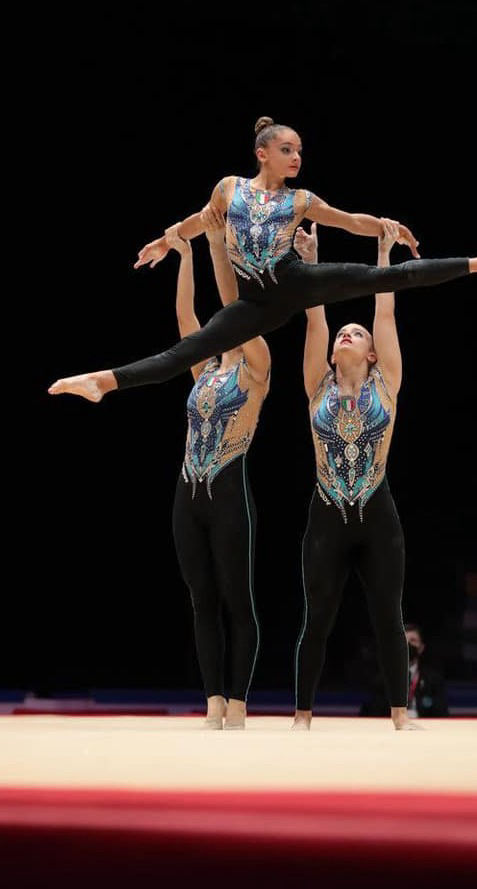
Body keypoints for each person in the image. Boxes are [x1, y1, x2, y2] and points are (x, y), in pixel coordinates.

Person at [48, 116, 477, 402]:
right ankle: (102, 381)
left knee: (388, 276)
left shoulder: (299, 200)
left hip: (294, 282)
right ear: (263, 153)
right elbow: (199, 220)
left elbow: (348, 220)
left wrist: (384, 223)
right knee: (187, 352)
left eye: (299, 150)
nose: (296, 157)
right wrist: (166, 239)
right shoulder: (228, 189)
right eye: (287, 149)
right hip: (257, 304)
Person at [292, 221, 416, 730]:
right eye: (344, 332)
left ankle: (400, 716)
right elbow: (314, 317)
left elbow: (383, 309)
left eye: (357, 333)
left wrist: (382, 251)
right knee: (317, 619)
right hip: (325, 515)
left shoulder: (387, 382)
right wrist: (314, 261)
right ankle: (302, 717)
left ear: (370, 353)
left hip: (377, 515)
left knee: (388, 615)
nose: (348, 332)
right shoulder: (316, 384)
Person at [166, 216, 270, 730]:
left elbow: (239, 311)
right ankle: (211, 701)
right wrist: (185, 254)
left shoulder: (256, 364)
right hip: (188, 492)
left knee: (236, 598)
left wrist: (217, 248)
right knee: (201, 598)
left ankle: (238, 701)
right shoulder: (203, 367)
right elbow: (185, 314)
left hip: (230, 489)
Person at [405, 624, 449, 718]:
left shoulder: (433, 679)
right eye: (404, 641)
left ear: (421, 648)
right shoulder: (385, 680)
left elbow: (442, 714)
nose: (408, 645)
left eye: (413, 640)